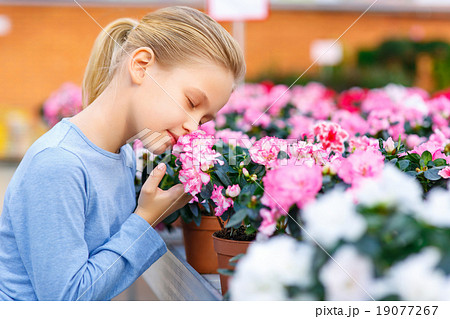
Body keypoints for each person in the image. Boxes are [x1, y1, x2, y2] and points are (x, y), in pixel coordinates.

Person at [0, 6, 245, 301]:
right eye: (192, 102)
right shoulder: (58, 163)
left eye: (205, 119)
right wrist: (144, 219)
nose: (194, 127)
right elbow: (65, 301)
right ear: (141, 66)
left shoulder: (123, 155)